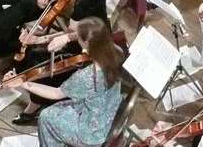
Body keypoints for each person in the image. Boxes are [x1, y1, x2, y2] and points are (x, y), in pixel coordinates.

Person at [6, 0, 110, 125]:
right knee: (34, 52)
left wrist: (38, 39)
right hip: (92, 32)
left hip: (90, 44)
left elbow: (72, 34)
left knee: (36, 59)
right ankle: (36, 99)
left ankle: (36, 105)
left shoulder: (86, 0)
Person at [7, 17, 124, 147]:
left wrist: (23, 83)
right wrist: (67, 37)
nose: (77, 39)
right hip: (109, 110)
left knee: (46, 116)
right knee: (63, 106)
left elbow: (55, 93)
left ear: (86, 43)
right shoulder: (117, 52)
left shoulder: (87, 77)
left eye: (78, 38)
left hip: (92, 133)